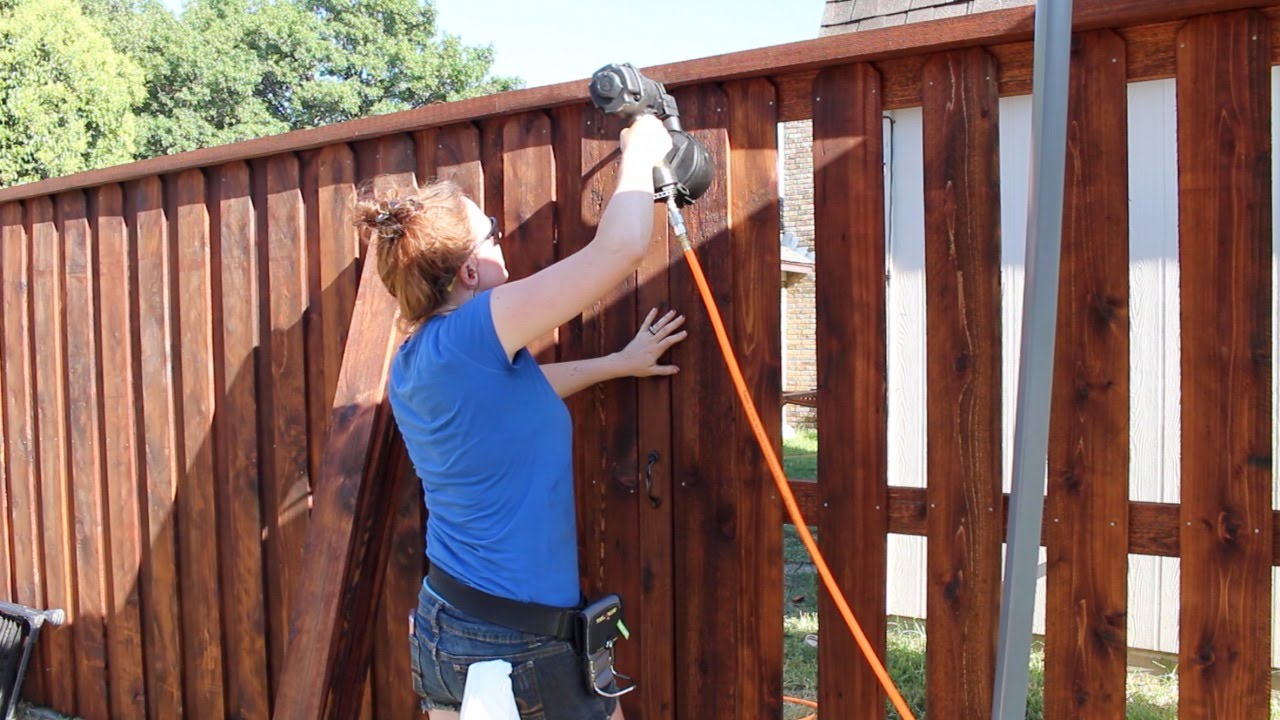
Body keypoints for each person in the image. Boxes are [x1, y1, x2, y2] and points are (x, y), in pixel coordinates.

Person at [354, 114, 685, 720]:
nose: (502, 241)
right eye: (492, 235)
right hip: (517, 645)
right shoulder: (476, 330)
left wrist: (617, 362)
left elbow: (514, 402)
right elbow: (621, 248)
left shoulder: (415, 360)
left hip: (445, 626)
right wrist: (640, 148)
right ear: (469, 273)